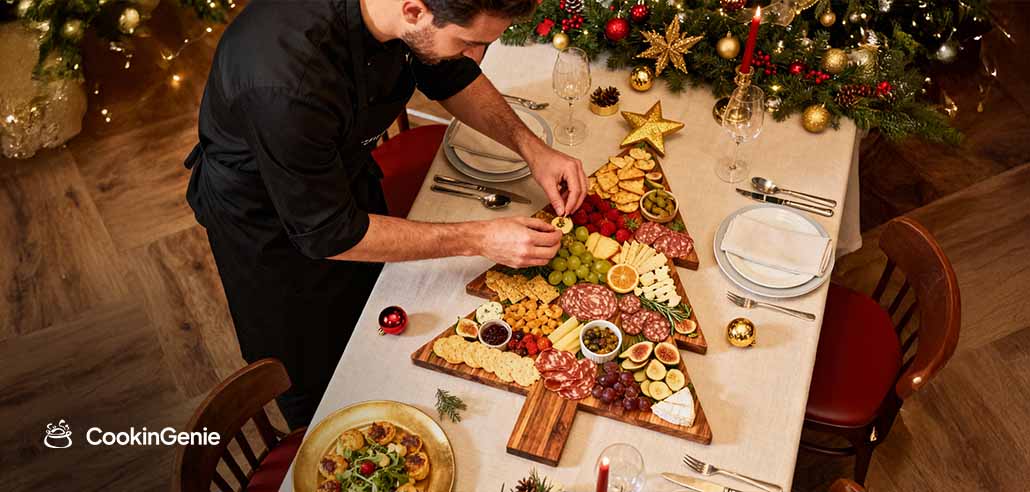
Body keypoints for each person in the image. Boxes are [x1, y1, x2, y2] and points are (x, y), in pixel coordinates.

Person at [183, 0, 587, 429]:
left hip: (344, 180)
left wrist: (532, 149)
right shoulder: (287, 85)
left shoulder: (408, 16)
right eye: (469, 43)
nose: (475, 57)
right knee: (316, 375)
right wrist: (480, 238)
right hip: (270, 235)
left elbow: (449, 73)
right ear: (414, 11)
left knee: (379, 318)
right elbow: (330, 233)